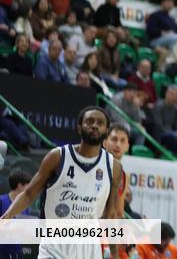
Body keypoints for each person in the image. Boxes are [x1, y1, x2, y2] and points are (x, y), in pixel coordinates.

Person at [0, 107, 123, 259]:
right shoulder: (58, 157)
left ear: (106, 130)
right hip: (54, 243)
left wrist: (115, 254)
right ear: (79, 128)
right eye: (89, 121)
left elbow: (110, 215)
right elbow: (29, 193)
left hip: (89, 247)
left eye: (100, 123)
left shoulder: (114, 167)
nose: (95, 126)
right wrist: (6, 216)